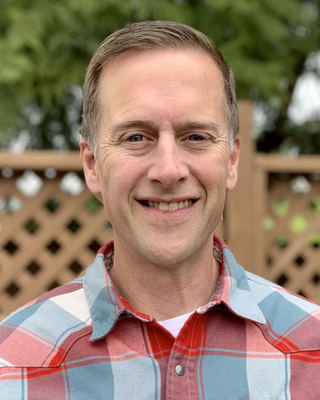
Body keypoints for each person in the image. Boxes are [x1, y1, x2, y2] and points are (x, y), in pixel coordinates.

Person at [0, 20, 319, 400]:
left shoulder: (311, 352)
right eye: (136, 137)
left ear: (232, 160)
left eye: (196, 137)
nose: (169, 170)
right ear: (91, 165)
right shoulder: (13, 367)